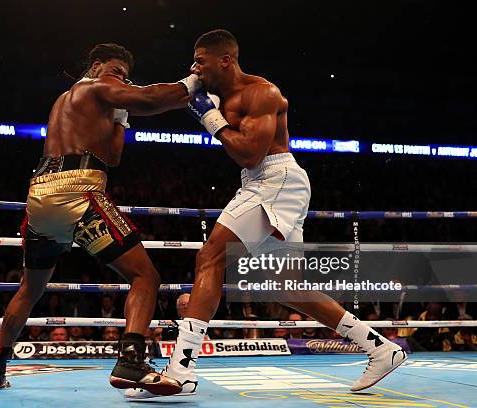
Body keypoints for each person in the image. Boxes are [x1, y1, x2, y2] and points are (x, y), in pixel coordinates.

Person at [127, 29, 406, 399]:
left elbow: (250, 154)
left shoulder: (262, 93)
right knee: (287, 287)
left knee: (210, 256)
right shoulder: (212, 92)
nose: (194, 67)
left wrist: (209, 118)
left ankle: (181, 370)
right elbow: (156, 101)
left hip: (275, 178)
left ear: (225, 59)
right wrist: (121, 102)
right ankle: (380, 348)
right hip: (261, 181)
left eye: (201, 60)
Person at [0, 42, 200, 395]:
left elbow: (112, 157)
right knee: (146, 276)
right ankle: (131, 361)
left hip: (41, 196)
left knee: (31, 288)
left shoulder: (74, 104)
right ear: (96, 66)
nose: (121, 80)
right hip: (78, 190)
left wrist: (119, 118)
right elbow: (149, 99)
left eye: (125, 76)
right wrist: (193, 82)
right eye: (115, 71)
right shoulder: (91, 86)